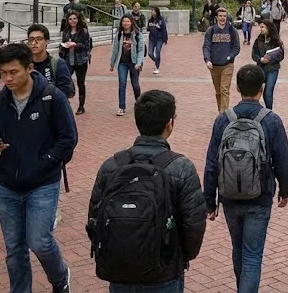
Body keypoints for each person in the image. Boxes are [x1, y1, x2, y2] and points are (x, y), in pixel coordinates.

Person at [0, 44, 77, 293]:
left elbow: (68, 138)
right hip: (8, 185)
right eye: (3, 73)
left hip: (43, 184)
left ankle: (60, 277)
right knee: (14, 249)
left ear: (30, 68)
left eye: (13, 72)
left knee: (40, 242)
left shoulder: (52, 97)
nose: (8, 78)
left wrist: (44, 162)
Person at [86, 90, 207, 293]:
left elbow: (94, 219)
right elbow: (193, 225)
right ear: (170, 123)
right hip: (164, 272)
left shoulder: (111, 165)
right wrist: (181, 257)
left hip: (119, 271)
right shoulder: (181, 167)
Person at [204, 65, 288, 293]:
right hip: (260, 196)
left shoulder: (223, 120)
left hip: (229, 196)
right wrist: (284, 190)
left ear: (236, 87)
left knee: (238, 249)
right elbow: (283, 160)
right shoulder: (271, 120)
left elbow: (212, 164)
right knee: (253, 255)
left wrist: (209, 201)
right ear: (262, 89)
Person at [203, 8, 240, 113]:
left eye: (224, 16)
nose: (222, 18)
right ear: (216, 17)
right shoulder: (211, 31)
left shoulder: (232, 30)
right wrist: (207, 59)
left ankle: (224, 114)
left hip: (227, 65)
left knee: (224, 90)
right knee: (218, 91)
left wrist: (230, 56)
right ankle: (221, 112)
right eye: (220, 16)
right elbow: (206, 46)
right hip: (214, 65)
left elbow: (236, 47)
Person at [26, 24, 74, 99]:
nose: (34, 43)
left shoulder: (57, 63)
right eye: (31, 39)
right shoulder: (24, 65)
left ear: (47, 41)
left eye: (39, 39)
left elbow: (67, 91)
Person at [110, 15, 145, 117]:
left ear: (131, 23)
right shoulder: (119, 35)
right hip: (122, 63)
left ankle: (139, 105)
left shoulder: (137, 35)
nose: (125, 23)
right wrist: (112, 64)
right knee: (122, 84)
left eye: (128, 21)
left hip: (134, 63)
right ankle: (121, 107)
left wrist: (138, 63)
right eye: (124, 21)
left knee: (135, 85)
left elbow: (140, 50)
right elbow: (115, 50)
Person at [60, 11, 93, 115]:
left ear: (78, 19)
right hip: (68, 60)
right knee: (65, 81)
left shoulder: (83, 31)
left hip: (80, 60)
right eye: (70, 19)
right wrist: (63, 46)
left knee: (80, 83)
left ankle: (81, 106)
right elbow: (62, 45)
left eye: (74, 18)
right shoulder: (66, 32)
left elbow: (87, 47)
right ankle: (65, 103)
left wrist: (75, 44)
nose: (72, 21)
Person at [251, 19, 285, 111]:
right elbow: (254, 55)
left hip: (272, 68)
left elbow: (281, 56)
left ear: (268, 28)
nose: (261, 29)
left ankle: (269, 111)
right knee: (256, 90)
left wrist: (270, 60)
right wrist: (260, 59)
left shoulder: (276, 40)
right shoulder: (258, 40)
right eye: (260, 27)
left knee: (268, 92)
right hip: (260, 68)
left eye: (263, 27)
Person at [147, 6, 169, 75]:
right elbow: (148, 28)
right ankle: (156, 60)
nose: (152, 12)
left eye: (153, 10)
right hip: (152, 39)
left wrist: (165, 39)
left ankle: (156, 66)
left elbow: (164, 29)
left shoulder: (160, 19)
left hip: (159, 39)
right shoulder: (150, 20)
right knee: (150, 53)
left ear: (157, 11)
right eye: (151, 11)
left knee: (158, 52)